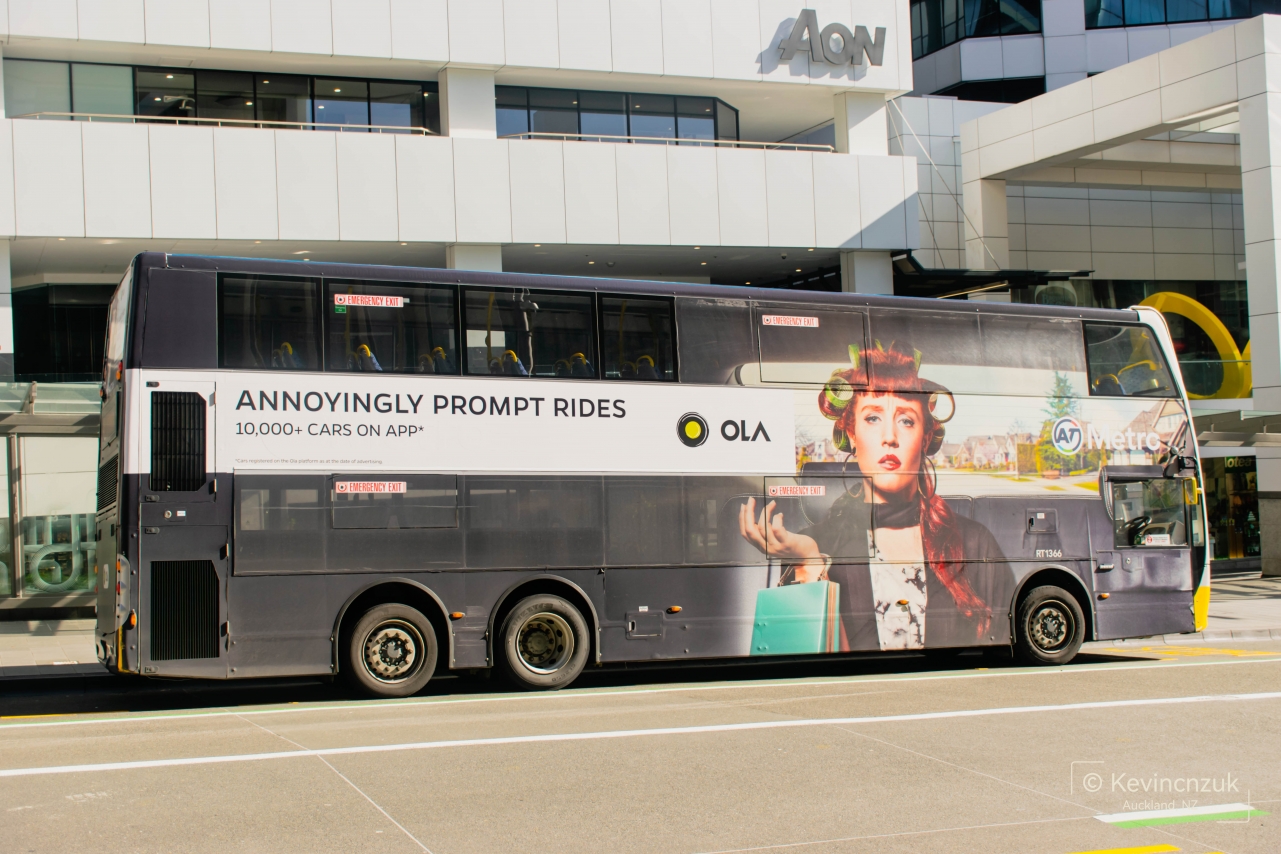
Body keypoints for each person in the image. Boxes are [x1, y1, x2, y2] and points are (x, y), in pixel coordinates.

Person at [739, 343, 1004, 651]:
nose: (889, 437)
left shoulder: (975, 542)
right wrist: (810, 563)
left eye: (906, 420)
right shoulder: (815, 545)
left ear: (926, 437)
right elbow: (814, 665)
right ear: (852, 433)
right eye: (873, 418)